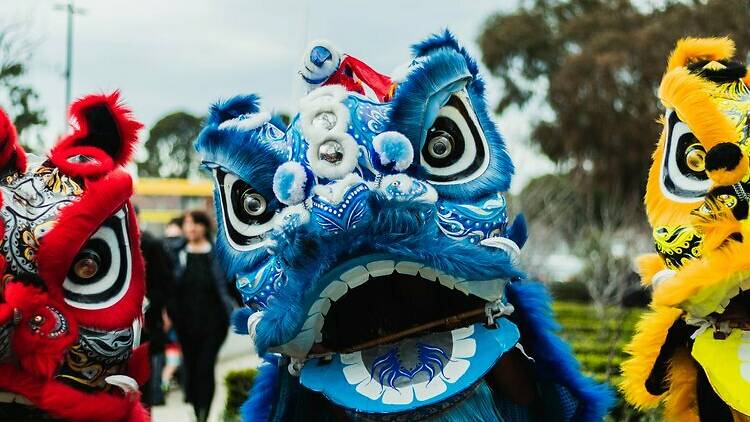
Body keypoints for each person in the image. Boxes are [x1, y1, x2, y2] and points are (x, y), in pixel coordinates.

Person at [169, 209, 235, 422]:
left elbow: (230, 284)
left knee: (205, 367)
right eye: (187, 223)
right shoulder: (177, 253)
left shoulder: (216, 253)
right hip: (185, 323)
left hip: (214, 322)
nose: (191, 227)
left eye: (195, 223)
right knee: (190, 367)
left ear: (204, 226)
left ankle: (203, 414)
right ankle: (196, 409)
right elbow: (168, 286)